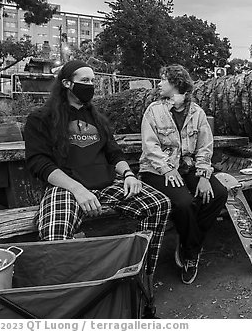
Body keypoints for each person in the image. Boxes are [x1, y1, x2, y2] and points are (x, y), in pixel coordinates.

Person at [24, 60, 171, 280]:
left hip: (107, 183)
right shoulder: (40, 118)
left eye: (93, 80)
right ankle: (65, 290)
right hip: (67, 187)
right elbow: (39, 162)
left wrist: (129, 175)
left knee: (159, 204)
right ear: (66, 83)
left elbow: (114, 154)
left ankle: (141, 275)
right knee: (55, 234)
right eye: (84, 81)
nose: (90, 85)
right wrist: (78, 190)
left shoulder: (97, 118)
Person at [139, 64, 228, 285]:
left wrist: (205, 176)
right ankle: (191, 254)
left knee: (218, 193)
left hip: (187, 167)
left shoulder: (197, 113)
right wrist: (167, 169)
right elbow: (150, 147)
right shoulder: (154, 111)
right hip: (156, 169)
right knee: (185, 203)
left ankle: (188, 241)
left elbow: (205, 147)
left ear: (176, 84)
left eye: (163, 80)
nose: (159, 84)